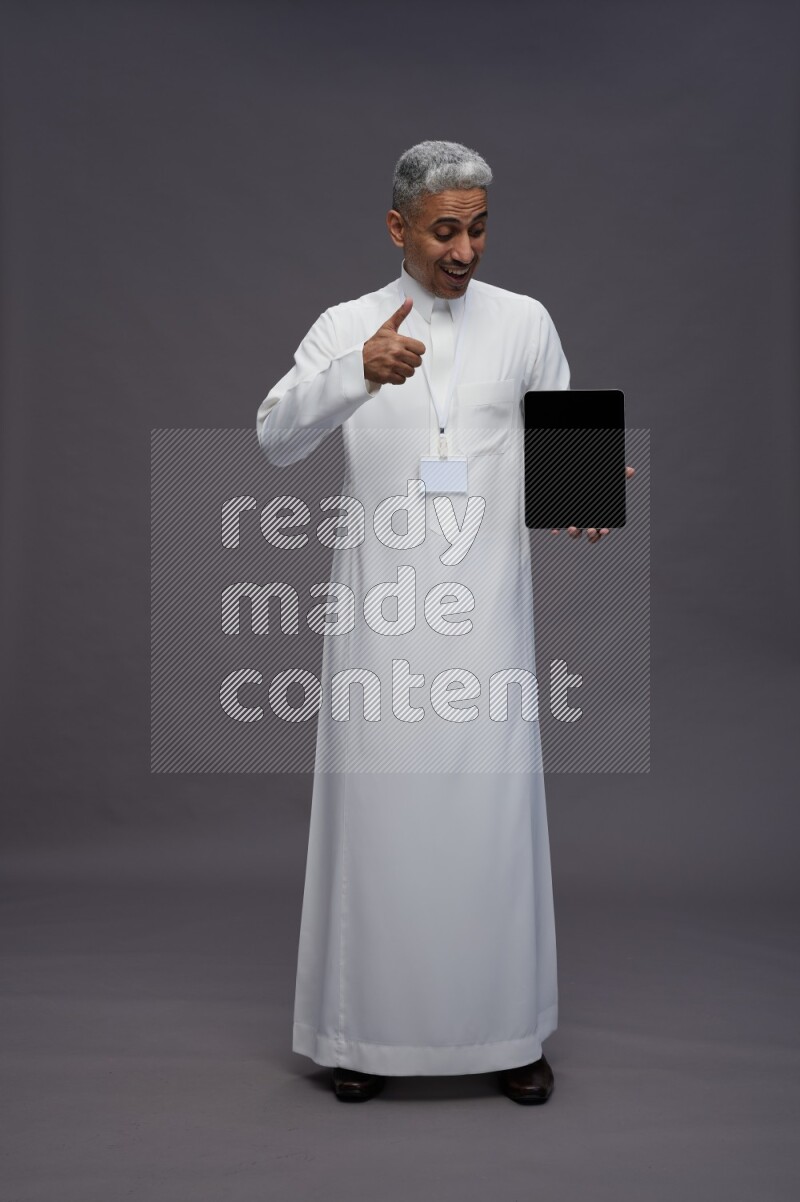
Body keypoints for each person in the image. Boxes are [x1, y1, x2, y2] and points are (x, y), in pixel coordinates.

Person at [256, 140, 633, 1104]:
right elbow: (275, 439)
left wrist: (590, 488)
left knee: (493, 828)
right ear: (397, 228)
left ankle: (508, 1035)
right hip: (380, 629)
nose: (466, 250)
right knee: (378, 827)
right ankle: (362, 1038)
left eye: (479, 228)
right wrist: (354, 372)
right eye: (445, 230)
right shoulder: (346, 324)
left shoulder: (524, 321)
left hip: (488, 628)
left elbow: (567, 445)